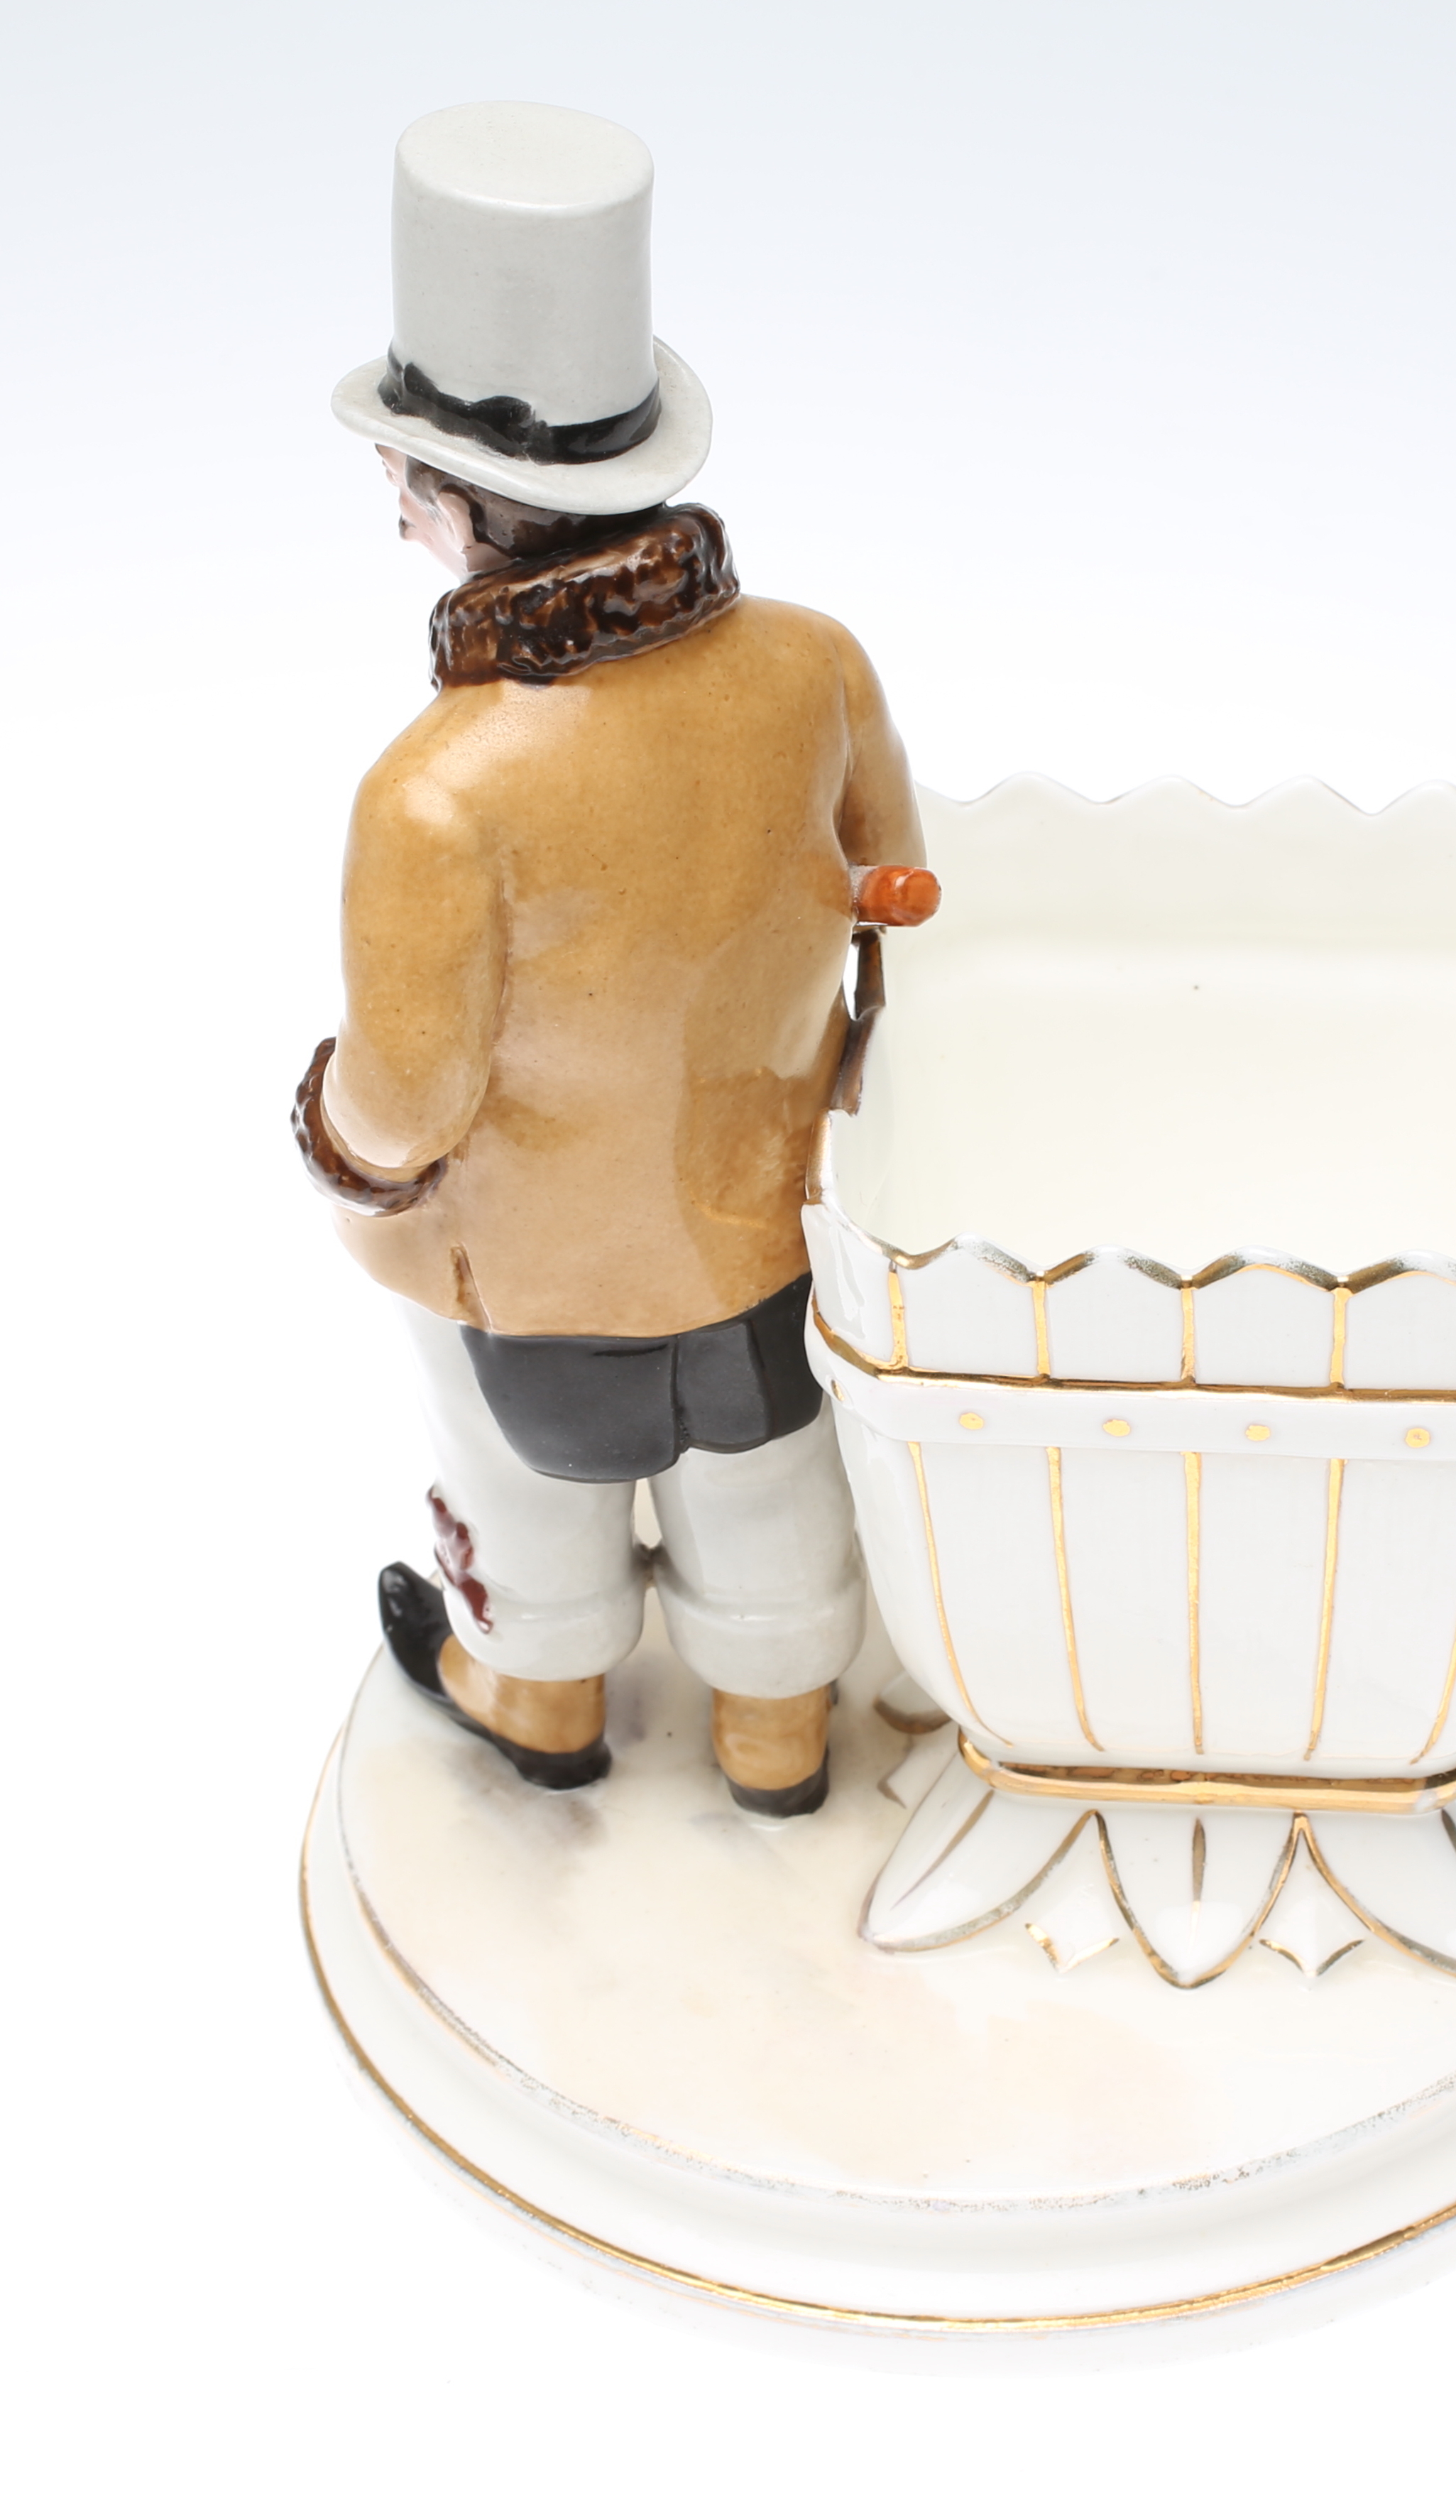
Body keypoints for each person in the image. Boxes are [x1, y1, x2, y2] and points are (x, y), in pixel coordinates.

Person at [297, 102, 933, 1814]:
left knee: (522, 1490)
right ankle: (774, 1726)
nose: (394, 512)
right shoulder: (815, 664)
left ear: (460, 505)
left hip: (529, 1271)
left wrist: (326, 1131)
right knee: (767, 1480)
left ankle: (542, 1689)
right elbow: (898, 882)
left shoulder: (435, 794)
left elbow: (405, 1102)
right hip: (759, 1226)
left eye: (403, 484)